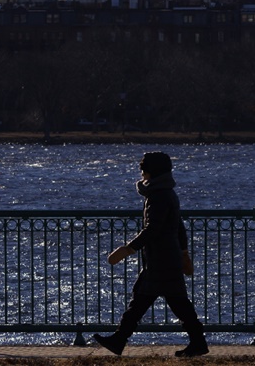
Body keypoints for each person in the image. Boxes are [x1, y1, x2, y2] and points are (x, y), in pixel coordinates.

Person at [93, 151, 209, 358]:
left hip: (161, 260)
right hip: (165, 258)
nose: (141, 171)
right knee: (154, 301)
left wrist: (128, 249)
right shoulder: (165, 192)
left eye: (143, 167)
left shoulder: (159, 195)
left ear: (152, 171)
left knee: (162, 303)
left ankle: (120, 339)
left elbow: (152, 228)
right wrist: (183, 252)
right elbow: (179, 227)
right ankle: (120, 339)